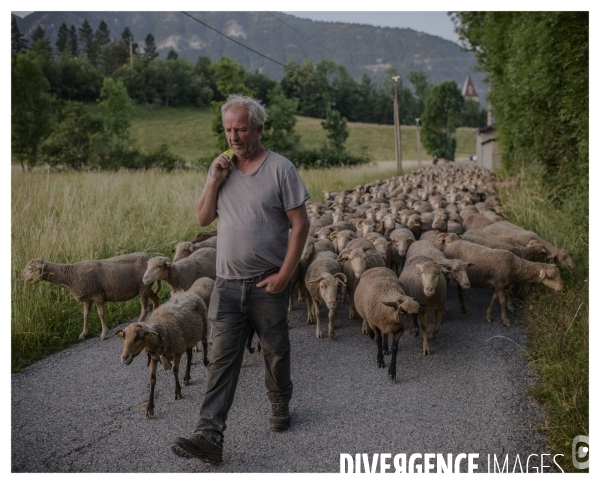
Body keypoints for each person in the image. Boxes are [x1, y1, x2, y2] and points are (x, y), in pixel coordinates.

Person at [171, 95, 310, 464]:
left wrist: (285, 274)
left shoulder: (281, 169)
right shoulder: (220, 169)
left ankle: (280, 402)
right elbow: (202, 219)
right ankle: (208, 435)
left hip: (267, 283)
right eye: (229, 129)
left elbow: (300, 224)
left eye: (242, 129)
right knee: (221, 360)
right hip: (227, 285)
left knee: (275, 350)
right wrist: (214, 180)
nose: (234, 136)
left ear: (259, 129)